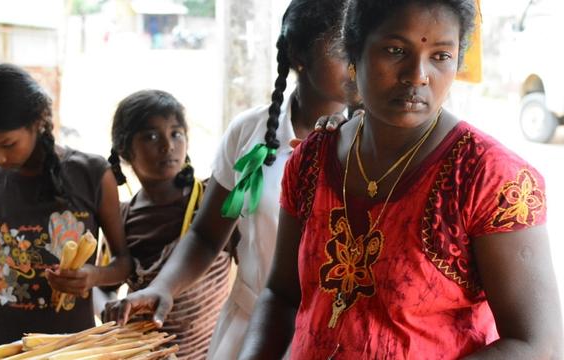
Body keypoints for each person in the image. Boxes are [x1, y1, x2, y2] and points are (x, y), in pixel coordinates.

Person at [238, 0, 564, 359]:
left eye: (440, 56)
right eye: (395, 51)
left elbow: (537, 344)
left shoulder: (491, 179)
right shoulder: (312, 159)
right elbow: (281, 295)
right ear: (354, 53)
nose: (417, 74)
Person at [103, 1, 360, 358]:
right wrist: (164, 286)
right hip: (252, 328)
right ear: (298, 55)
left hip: (340, 336)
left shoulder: (378, 143)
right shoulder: (249, 133)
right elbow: (208, 236)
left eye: (362, 45)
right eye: (343, 50)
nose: (358, 62)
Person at [0, 64, 133, 360]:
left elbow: (124, 263)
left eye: (7, 144)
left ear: (39, 120)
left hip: (71, 349)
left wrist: (94, 275)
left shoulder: (92, 174)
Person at [101, 89, 232, 359]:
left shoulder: (210, 203)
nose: (168, 145)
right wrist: (111, 311)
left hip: (212, 352)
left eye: (176, 133)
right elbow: (102, 288)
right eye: (151, 136)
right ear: (125, 149)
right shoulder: (122, 218)